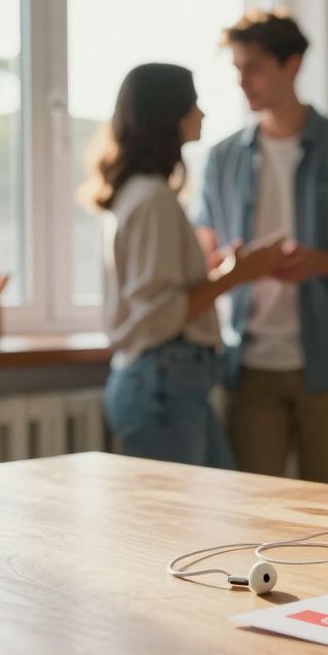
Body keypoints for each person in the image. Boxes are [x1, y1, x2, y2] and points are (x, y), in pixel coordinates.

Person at [194, 11, 328, 485]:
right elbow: (204, 261)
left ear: (293, 64)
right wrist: (234, 266)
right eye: (238, 69)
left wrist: (318, 263)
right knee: (253, 508)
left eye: (254, 67)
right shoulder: (222, 159)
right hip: (248, 368)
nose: (243, 81)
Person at [87, 63, 284, 467]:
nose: (202, 114)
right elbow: (160, 316)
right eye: (193, 104)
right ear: (169, 115)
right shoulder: (153, 198)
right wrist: (237, 275)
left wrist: (212, 274)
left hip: (163, 383)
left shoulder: (137, 193)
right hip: (163, 385)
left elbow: (156, 298)